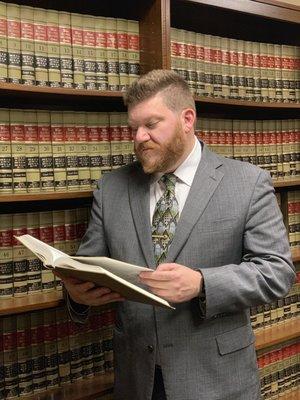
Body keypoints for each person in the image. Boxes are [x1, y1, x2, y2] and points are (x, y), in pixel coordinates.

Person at [61, 69, 295, 400]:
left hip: (217, 380)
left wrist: (202, 283)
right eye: (134, 128)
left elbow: (277, 272)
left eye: (151, 125)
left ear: (187, 119)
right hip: (137, 378)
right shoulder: (111, 188)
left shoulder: (248, 183)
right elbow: (87, 267)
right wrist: (77, 296)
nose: (139, 137)